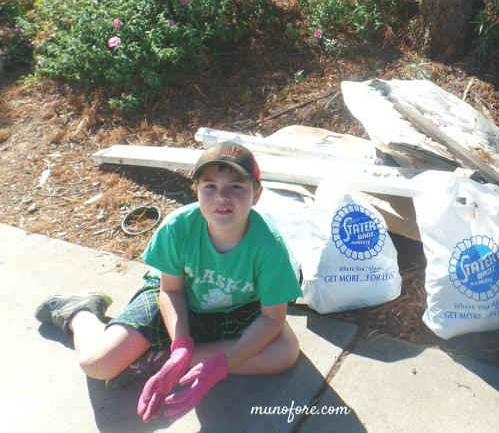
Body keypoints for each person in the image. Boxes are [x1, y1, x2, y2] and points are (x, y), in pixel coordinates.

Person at [35, 141, 303, 423]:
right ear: (196, 191)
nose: (221, 196)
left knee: (284, 352)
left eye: (236, 186)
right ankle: (80, 311)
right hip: (182, 299)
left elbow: (272, 319)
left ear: (257, 194)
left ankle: (159, 360)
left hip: (239, 306)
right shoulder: (178, 228)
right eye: (209, 186)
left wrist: (221, 366)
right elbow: (171, 289)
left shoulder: (269, 246)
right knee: (97, 364)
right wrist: (183, 343)